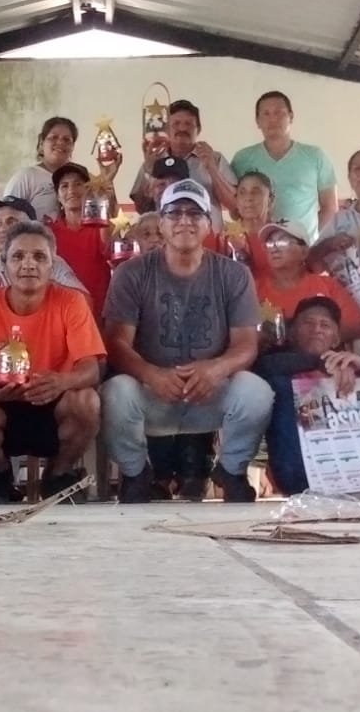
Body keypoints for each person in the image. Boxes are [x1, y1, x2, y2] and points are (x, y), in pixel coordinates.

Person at [101, 179, 273, 502]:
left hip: (209, 391)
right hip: (153, 390)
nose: (184, 220)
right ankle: (136, 475)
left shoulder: (234, 275)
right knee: (115, 393)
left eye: (195, 214)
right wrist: (152, 374)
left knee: (256, 392)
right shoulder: (131, 273)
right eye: (174, 212)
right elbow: (117, 343)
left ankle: (232, 471)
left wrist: (215, 369)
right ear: (161, 223)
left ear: (209, 224)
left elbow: (246, 344)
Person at [0, 222, 105, 503]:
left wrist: (61, 382)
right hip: (1, 404)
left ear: (52, 265)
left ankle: (58, 476)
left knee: (88, 402)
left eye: (39, 256)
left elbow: (91, 369)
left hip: (54, 404)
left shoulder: (72, 302)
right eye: (18, 256)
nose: (28, 264)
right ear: (4, 265)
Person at [254, 297, 360, 496]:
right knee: (280, 385)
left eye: (325, 325)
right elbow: (263, 367)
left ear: (336, 339)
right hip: (304, 474)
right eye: (308, 323)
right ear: (292, 333)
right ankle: (316, 483)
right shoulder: (278, 359)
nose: (317, 329)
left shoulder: (352, 360)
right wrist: (321, 362)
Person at [230, 91, 337, 237]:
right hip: (254, 244)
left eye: (278, 113)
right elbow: (234, 208)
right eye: (266, 114)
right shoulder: (242, 158)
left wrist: (310, 242)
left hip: (303, 247)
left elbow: (330, 207)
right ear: (257, 121)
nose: (272, 119)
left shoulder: (315, 156)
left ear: (291, 117)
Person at [254, 219, 360, 344]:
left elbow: (358, 326)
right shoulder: (253, 289)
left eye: (282, 241)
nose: (274, 249)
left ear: (304, 252)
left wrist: (318, 337)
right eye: (270, 243)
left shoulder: (327, 285)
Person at [130, 100, 237, 223]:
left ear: (198, 130)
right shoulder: (154, 159)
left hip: (208, 233)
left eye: (188, 124)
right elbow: (141, 208)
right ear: (167, 129)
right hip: (163, 233)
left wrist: (212, 168)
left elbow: (234, 204)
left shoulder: (215, 158)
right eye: (176, 123)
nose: (182, 128)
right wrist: (148, 171)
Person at [48, 162, 114, 316]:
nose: (71, 190)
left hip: (99, 313)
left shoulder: (100, 226)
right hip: (61, 313)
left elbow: (110, 251)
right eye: (64, 186)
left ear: (88, 190)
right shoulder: (48, 233)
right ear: (58, 196)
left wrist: (102, 197)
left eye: (78, 184)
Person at [3, 116, 82, 221]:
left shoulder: (82, 179)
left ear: (72, 147)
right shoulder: (26, 177)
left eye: (66, 139)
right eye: (53, 137)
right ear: (41, 143)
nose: (60, 143)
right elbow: (6, 217)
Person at [229, 170, 276, 275]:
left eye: (255, 192)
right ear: (236, 200)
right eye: (242, 193)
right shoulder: (226, 236)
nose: (248, 198)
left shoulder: (281, 237)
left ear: (271, 200)